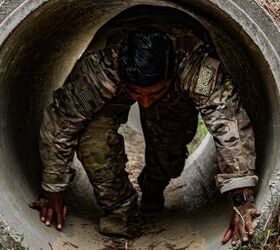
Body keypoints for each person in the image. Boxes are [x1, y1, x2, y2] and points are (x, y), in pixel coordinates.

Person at [30, 29, 260, 246]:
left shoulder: (195, 68)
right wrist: (53, 187)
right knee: (93, 140)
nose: (145, 103)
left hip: (175, 94)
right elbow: (62, 122)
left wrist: (242, 199)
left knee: (169, 151)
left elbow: (228, 122)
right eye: (137, 94)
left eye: (154, 94)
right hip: (113, 93)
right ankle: (120, 208)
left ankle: (153, 185)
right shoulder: (102, 71)